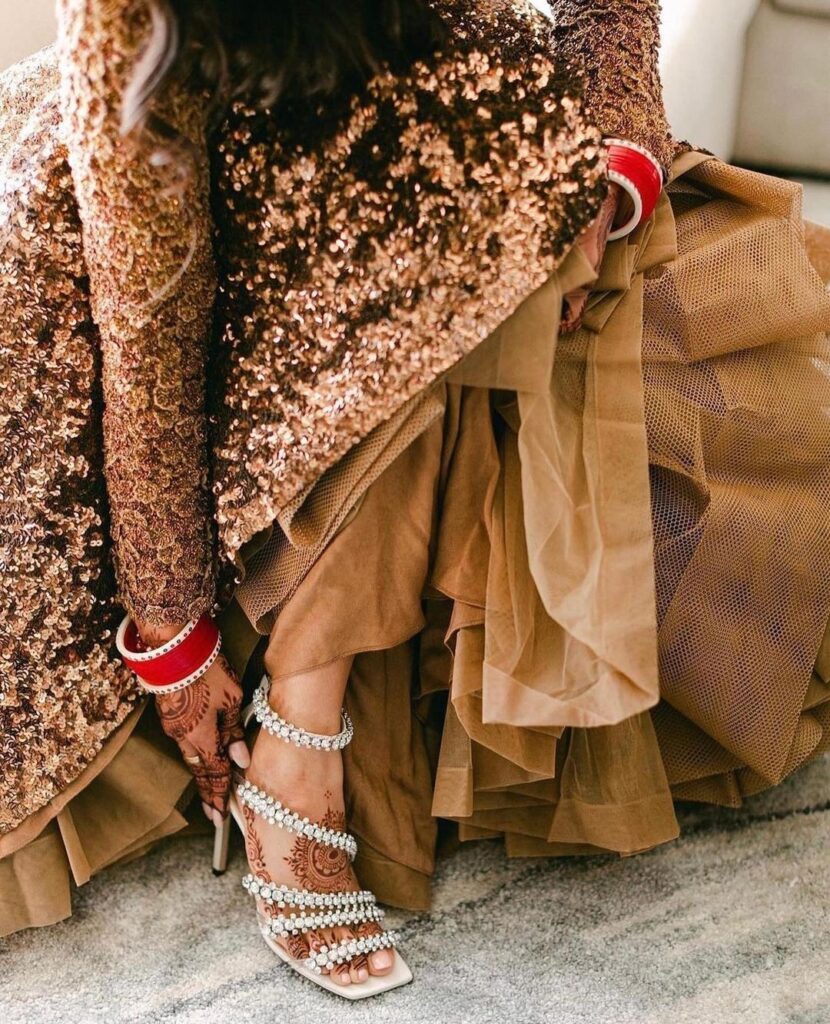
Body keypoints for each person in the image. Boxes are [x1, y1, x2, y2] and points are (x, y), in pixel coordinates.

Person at [1, 0, 829, 998]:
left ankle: (303, 725)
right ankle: (297, 753)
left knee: (692, 456)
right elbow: (152, 327)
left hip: (466, 145)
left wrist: (608, 172)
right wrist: (174, 631)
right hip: (196, 218)